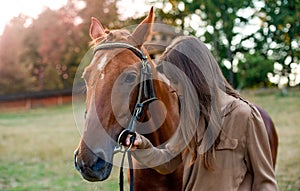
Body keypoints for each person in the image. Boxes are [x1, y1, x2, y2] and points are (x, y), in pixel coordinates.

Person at [126, 36, 278, 190]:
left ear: (193, 76)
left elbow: (265, 182)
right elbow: (168, 162)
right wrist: (142, 145)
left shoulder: (244, 116)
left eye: (175, 80)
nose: (172, 88)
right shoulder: (189, 118)